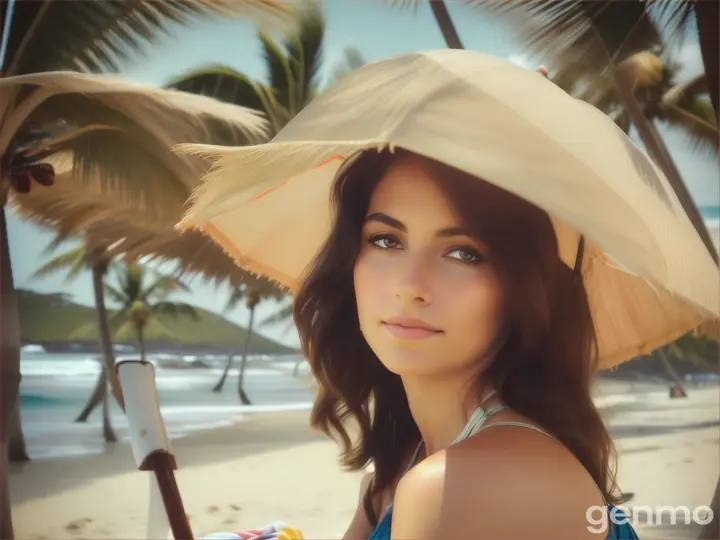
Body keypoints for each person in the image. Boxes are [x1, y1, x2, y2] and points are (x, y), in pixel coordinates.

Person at [289, 147, 640, 540]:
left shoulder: (463, 487)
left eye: (463, 253)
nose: (409, 287)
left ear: (520, 288)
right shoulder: (406, 466)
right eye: (386, 240)